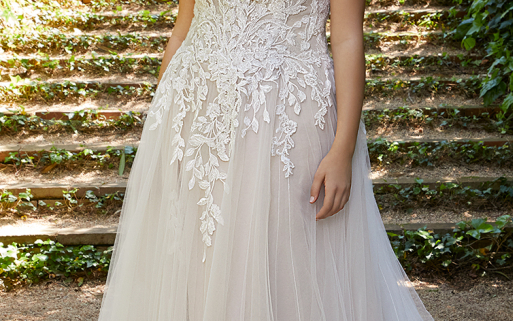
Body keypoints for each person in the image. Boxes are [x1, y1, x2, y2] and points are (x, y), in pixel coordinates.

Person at [97, 0, 434, 319]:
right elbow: (183, 29)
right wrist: (162, 126)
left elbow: (347, 39)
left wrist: (342, 150)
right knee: (198, 252)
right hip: (196, 113)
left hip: (289, 115)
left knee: (284, 250)